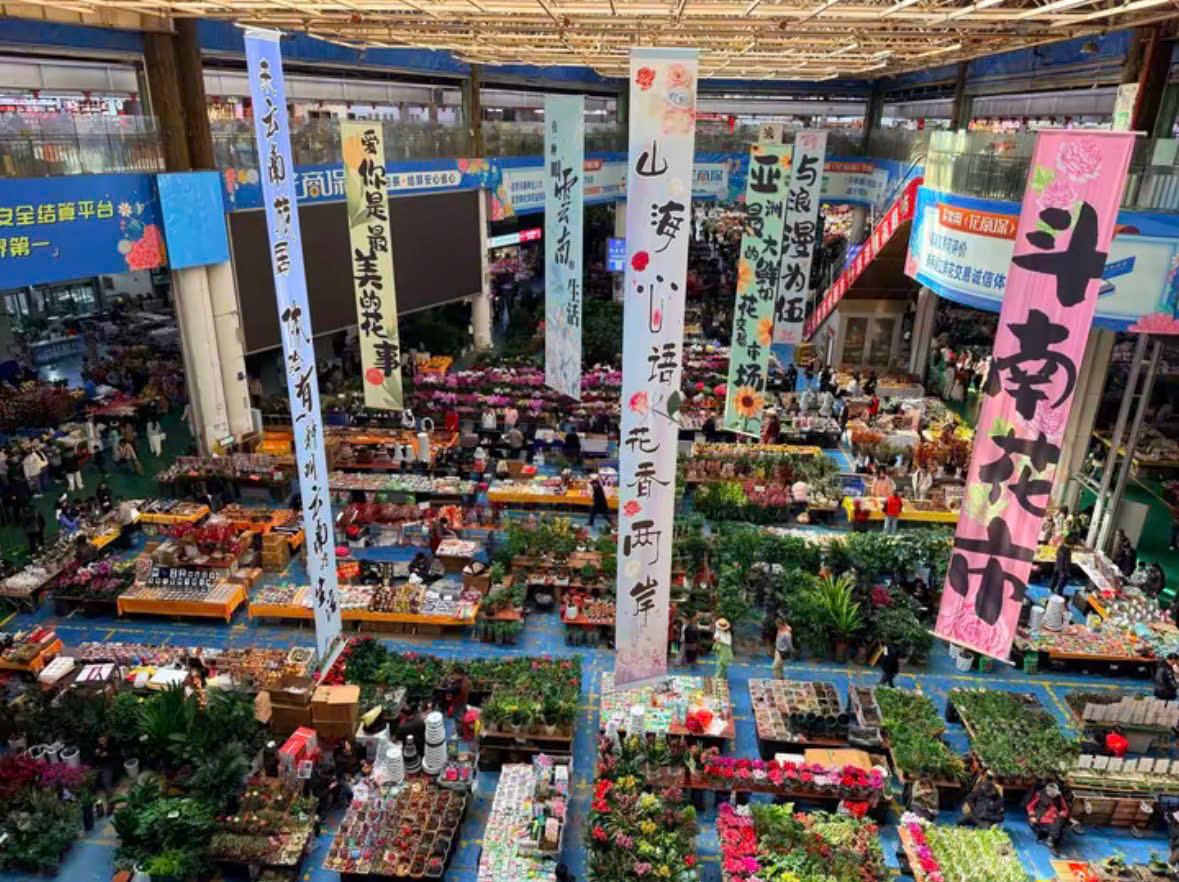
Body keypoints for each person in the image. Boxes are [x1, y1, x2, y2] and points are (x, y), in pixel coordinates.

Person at [1026, 781, 1070, 855]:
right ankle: (1051, 841)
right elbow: (1030, 806)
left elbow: (1065, 808)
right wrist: (1032, 816)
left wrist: (1063, 813)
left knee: (1059, 822)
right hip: (1043, 816)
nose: (1054, 795)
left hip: (1056, 816)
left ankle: (1051, 840)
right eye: (1052, 794)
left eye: (1054, 794)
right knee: (1055, 827)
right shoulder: (1040, 794)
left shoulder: (1059, 796)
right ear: (1047, 792)